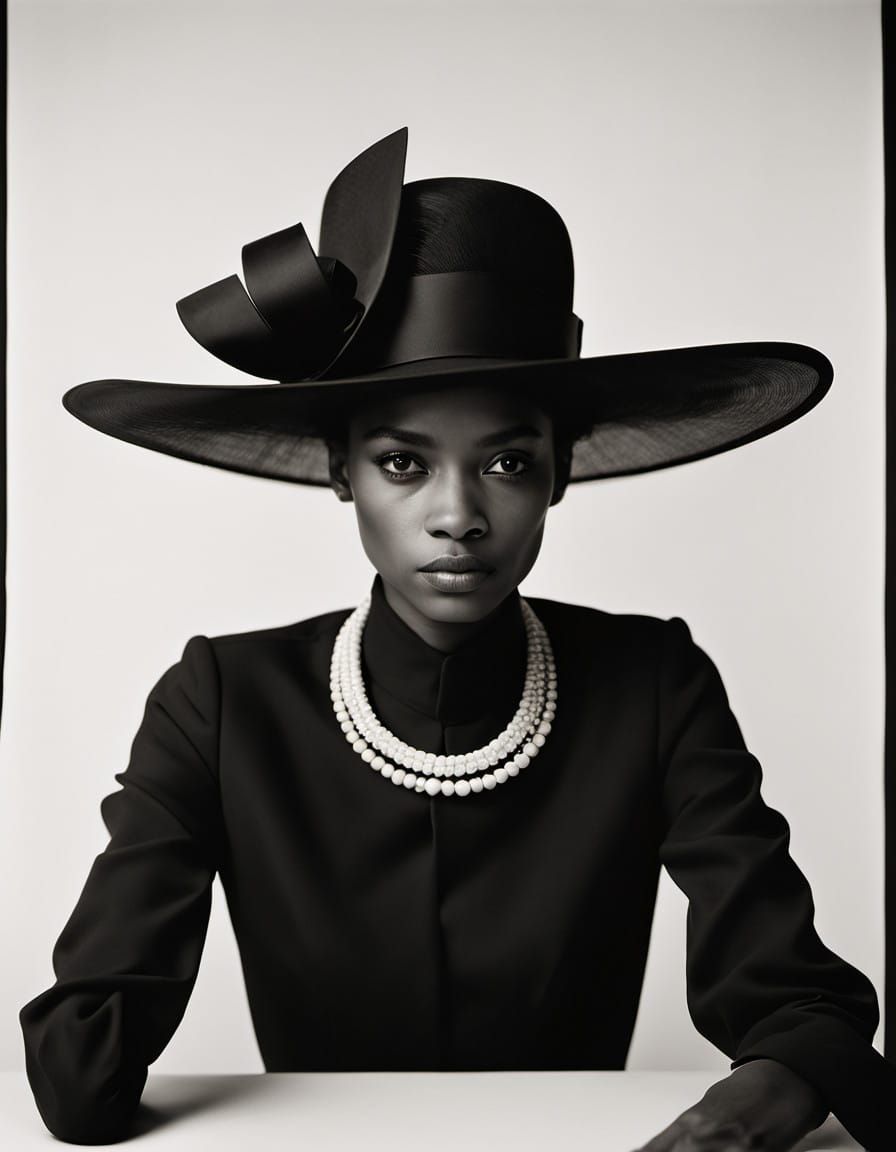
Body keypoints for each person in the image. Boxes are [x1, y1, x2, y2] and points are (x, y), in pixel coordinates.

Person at [18, 127, 896, 1149]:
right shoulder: (221, 698)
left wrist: (724, 1125)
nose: (457, 515)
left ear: (560, 474)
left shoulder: (651, 683)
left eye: (507, 463)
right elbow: (80, 1075)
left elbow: (804, 1006)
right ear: (337, 470)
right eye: (401, 463)